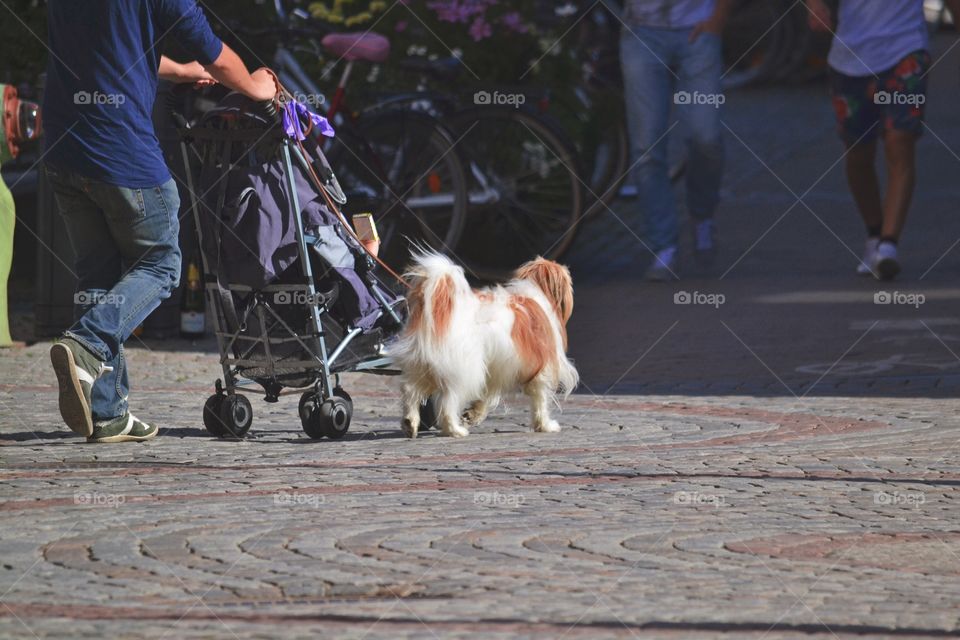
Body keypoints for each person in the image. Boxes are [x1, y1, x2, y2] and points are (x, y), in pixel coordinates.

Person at [45, 0, 277, 443]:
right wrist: (255, 86)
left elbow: (112, 53)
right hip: (123, 155)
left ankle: (107, 412)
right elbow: (221, 58)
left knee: (99, 277)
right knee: (162, 266)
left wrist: (183, 72)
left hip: (64, 150)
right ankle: (87, 346)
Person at [806, 0, 960, 280]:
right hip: (850, 58)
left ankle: (889, 245)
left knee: (899, 140)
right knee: (858, 154)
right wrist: (815, 6)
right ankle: (874, 236)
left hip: (907, 51)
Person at [619, 0, 734, 281]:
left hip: (699, 28)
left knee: (706, 137)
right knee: (647, 147)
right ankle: (663, 244)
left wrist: (718, 18)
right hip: (641, 32)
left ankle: (702, 214)